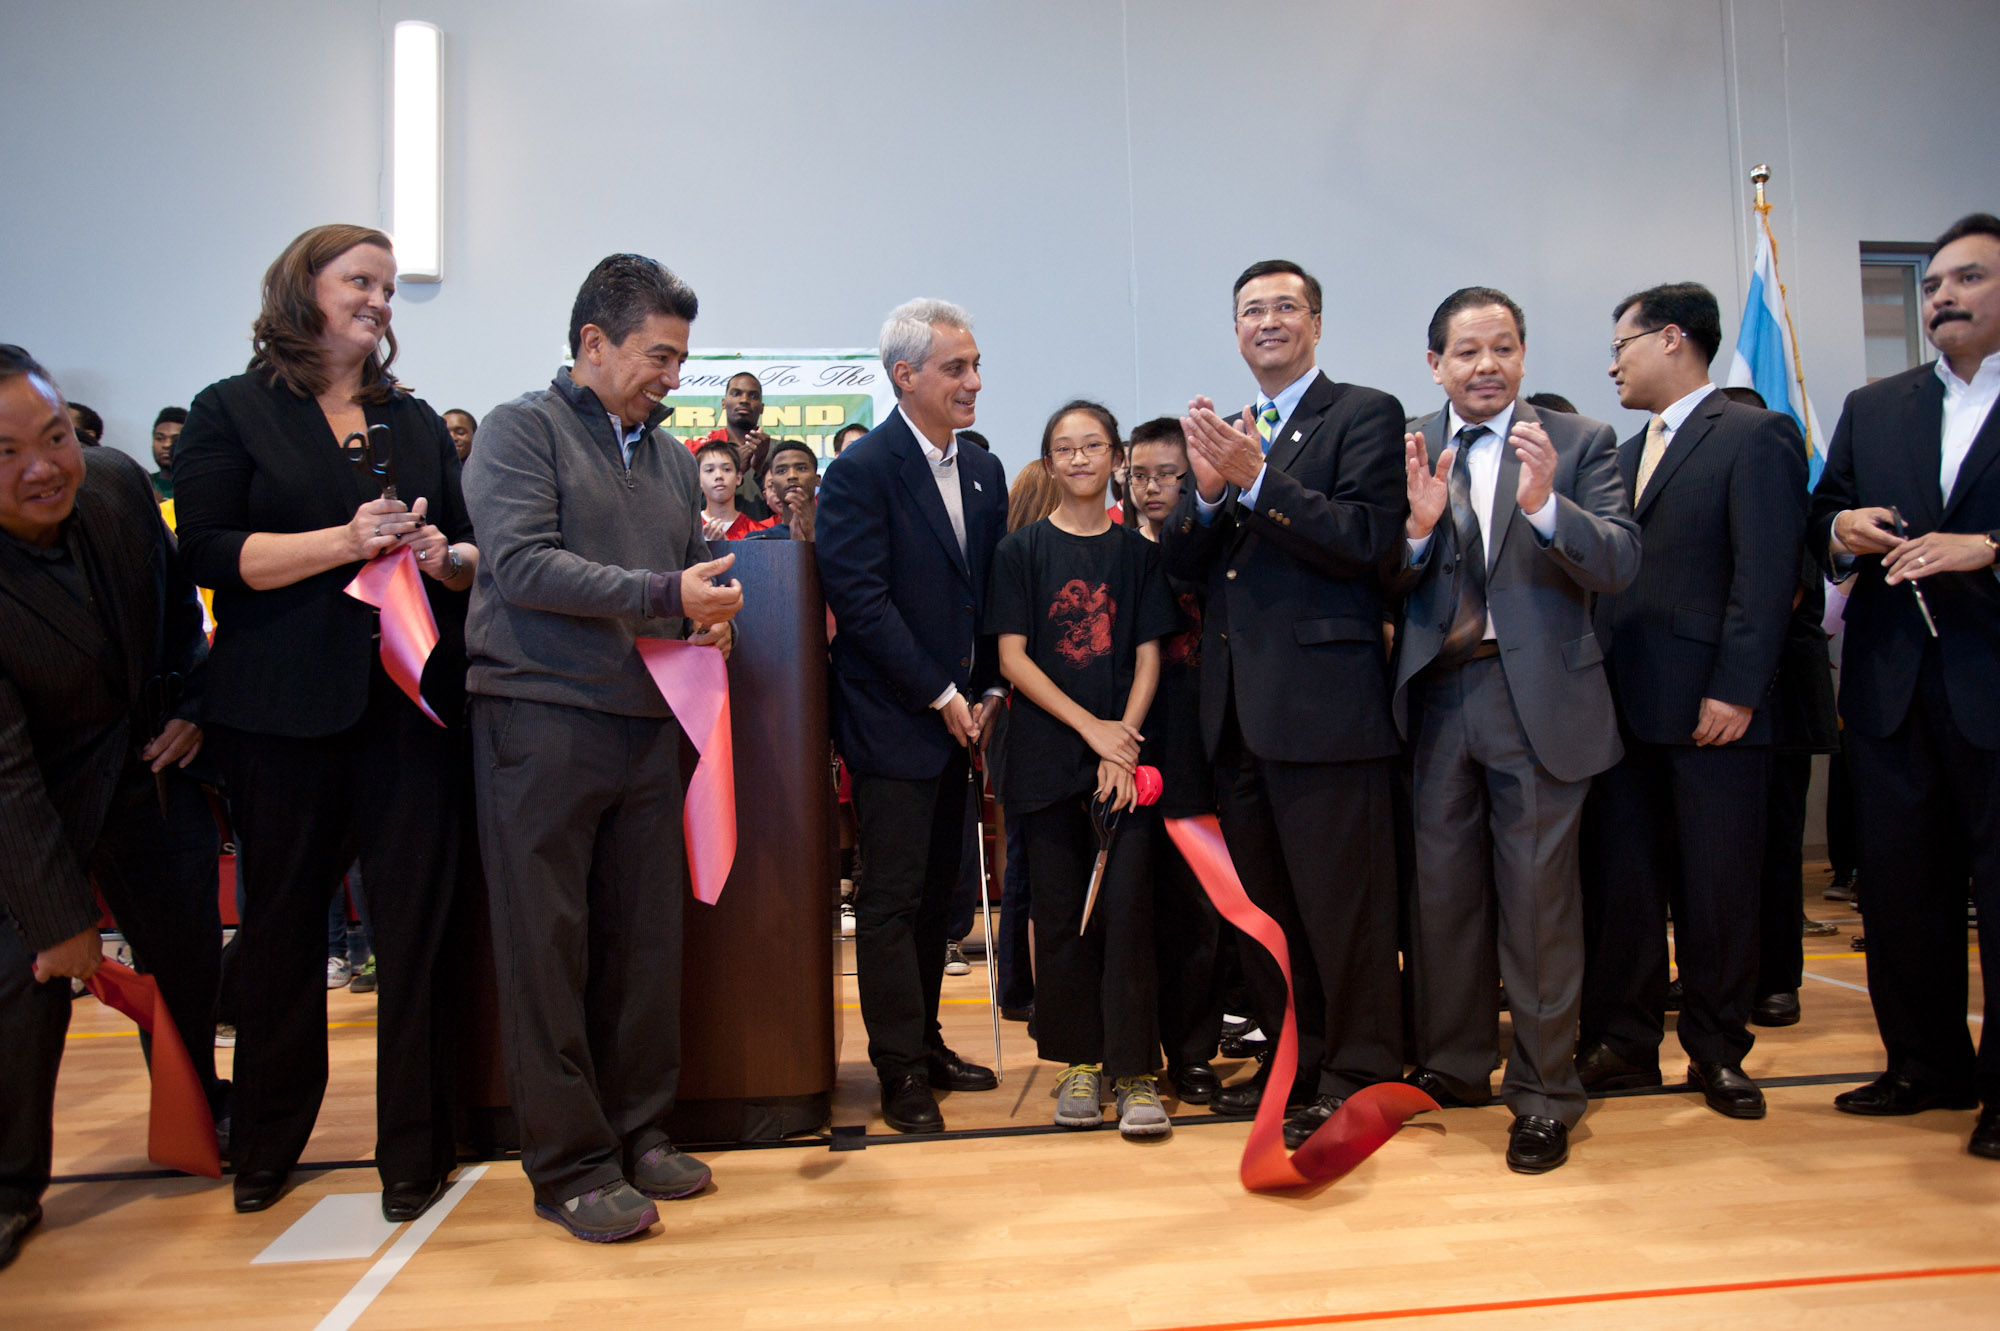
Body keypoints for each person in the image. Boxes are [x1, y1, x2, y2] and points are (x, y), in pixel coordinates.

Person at [174, 222, 478, 1219]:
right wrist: (341, 541)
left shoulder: (413, 417)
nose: (380, 300)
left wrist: (443, 558)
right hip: (280, 719)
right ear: (301, 287)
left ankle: (414, 1150)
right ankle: (265, 1141)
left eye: (388, 287)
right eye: (362, 280)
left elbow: (472, 553)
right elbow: (211, 553)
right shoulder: (233, 410)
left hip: (405, 714)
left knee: (416, 935)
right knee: (280, 936)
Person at [463, 252, 741, 1242]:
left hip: (644, 722)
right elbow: (524, 563)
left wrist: (700, 619)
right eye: (657, 354)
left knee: (642, 942)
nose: (672, 374)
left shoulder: (668, 458)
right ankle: (570, 1163)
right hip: (536, 719)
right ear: (592, 343)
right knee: (548, 949)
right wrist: (666, 595)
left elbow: (666, 584)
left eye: (679, 356)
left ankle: (640, 1131)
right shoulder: (517, 431)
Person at [1160, 259, 1408, 1149]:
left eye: (1285, 307)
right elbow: (1185, 568)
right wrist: (1212, 494)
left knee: (1345, 906)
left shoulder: (1365, 413)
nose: (1268, 321)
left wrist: (1261, 481)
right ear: (1234, 332)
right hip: (1236, 717)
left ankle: (1358, 1069)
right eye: (1251, 311)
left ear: (1315, 323)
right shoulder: (1229, 435)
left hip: (1326, 710)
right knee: (1266, 912)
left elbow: (1365, 541)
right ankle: (1295, 1061)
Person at [1390, 288, 1640, 1173]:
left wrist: (1544, 507)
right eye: (1466, 351)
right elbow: (1377, 574)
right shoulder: (1408, 442)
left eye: (1502, 347)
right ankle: (1457, 1065)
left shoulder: (1578, 443)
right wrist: (1415, 537)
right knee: (1443, 901)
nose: (1485, 364)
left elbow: (1618, 560)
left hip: (1537, 701)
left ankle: (1542, 1095)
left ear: (1524, 355)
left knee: (1538, 906)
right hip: (1435, 701)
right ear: (1436, 364)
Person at [0, 346, 223, 1271]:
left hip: (141, 765)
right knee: (25, 982)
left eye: (54, 436)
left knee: (184, 950)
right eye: (7, 452)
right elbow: (4, 773)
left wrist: (190, 704)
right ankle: (11, 1185)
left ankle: (197, 1109)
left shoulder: (123, 489)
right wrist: (60, 922)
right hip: (25, 798)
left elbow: (182, 612)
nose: (42, 466)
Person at [1577, 281, 1807, 1121]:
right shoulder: (1624, 448)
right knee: (1626, 889)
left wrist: (1738, 690)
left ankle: (1716, 1050)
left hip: (1714, 711)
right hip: (1625, 707)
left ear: (1673, 338)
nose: (1613, 363)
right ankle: (1626, 1043)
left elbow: (1768, 573)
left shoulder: (1754, 434)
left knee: (1717, 890)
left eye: (1622, 344)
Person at [1809, 212, 2000, 1160]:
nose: (1943, 298)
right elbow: (1820, 514)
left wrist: (1991, 548)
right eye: (1931, 285)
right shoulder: (1876, 404)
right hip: (1891, 688)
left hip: (1993, 684)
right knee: (1903, 891)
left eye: (1967, 279)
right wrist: (1843, 528)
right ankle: (1924, 1063)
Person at [815, 298, 1008, 1134]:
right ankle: (896, 1069)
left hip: (968, 723)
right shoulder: (862, 472)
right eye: (955, 368)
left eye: (974, 365)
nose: (973, 381)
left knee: (943, 903)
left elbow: (992, 591)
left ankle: (926, 1041)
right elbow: (860, 600)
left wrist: (993, 689)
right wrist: (941, 693)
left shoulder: (983, 470)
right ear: (906, 376)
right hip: (898, 721)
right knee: (891, 903)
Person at [988, 401, 1178, 1137]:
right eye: (1063, 448)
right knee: (1061, 916)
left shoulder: (1137, 555)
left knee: (1128, 913)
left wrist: (1122, 741)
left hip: (1124, 763)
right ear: (1048, 459)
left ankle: (1134, 1071)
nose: (1078, 458)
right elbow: (1012, 659)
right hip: (1048, 757)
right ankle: (1077, 1064)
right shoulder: (1022, 552)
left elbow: (1148, 655)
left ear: (1115, 458)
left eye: (1092, 445)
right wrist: (1093, 732)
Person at [1126, 416, 1226, 1104]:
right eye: (1139, 474)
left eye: (1168, 473)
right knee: (1130, 904)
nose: (1152, 486)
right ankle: (1128, 1050)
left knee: (1195, 907)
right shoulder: (1106, 547)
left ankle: (1194, 1051)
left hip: (1197, 740)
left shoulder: (1214, 544)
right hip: (1121, 741)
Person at [686, 372, 774, 519]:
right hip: (711, 538)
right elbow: (684, 504)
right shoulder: (699, 450)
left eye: (753, 396)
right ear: (723, 403)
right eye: (736, 394)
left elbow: (786, 508)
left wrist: (761, 469)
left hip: (766, 539)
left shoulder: (777, 451)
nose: (744, 400)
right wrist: (734, 467)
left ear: (762, 407)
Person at [696, 439, 762, 540]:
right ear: (698, 480)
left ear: (738, 478)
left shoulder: (757, 533)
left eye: (726, 469)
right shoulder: (688, 530)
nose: (719, 476)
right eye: (709, 470)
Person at [150, 406, 186, 498]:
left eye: (175, 439)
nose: (166, 445)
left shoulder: (199, 486)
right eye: (160, 438)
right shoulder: (142, 485)